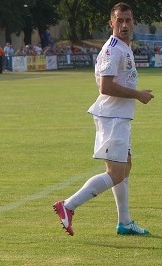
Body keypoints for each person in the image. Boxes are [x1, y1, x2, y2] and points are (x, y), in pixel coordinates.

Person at [53, 2, 153, 236]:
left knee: (125, 167)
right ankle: (67, 206)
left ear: (133, 22)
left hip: (119, 116)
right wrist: (138, 95)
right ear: (111, 23)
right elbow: (105, 86)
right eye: (120, 20)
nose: (125, 25)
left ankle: (125, 222)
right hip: (112, 118)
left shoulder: (124, 46)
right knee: (116, 173)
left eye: (128, 20)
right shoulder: (113, 49)